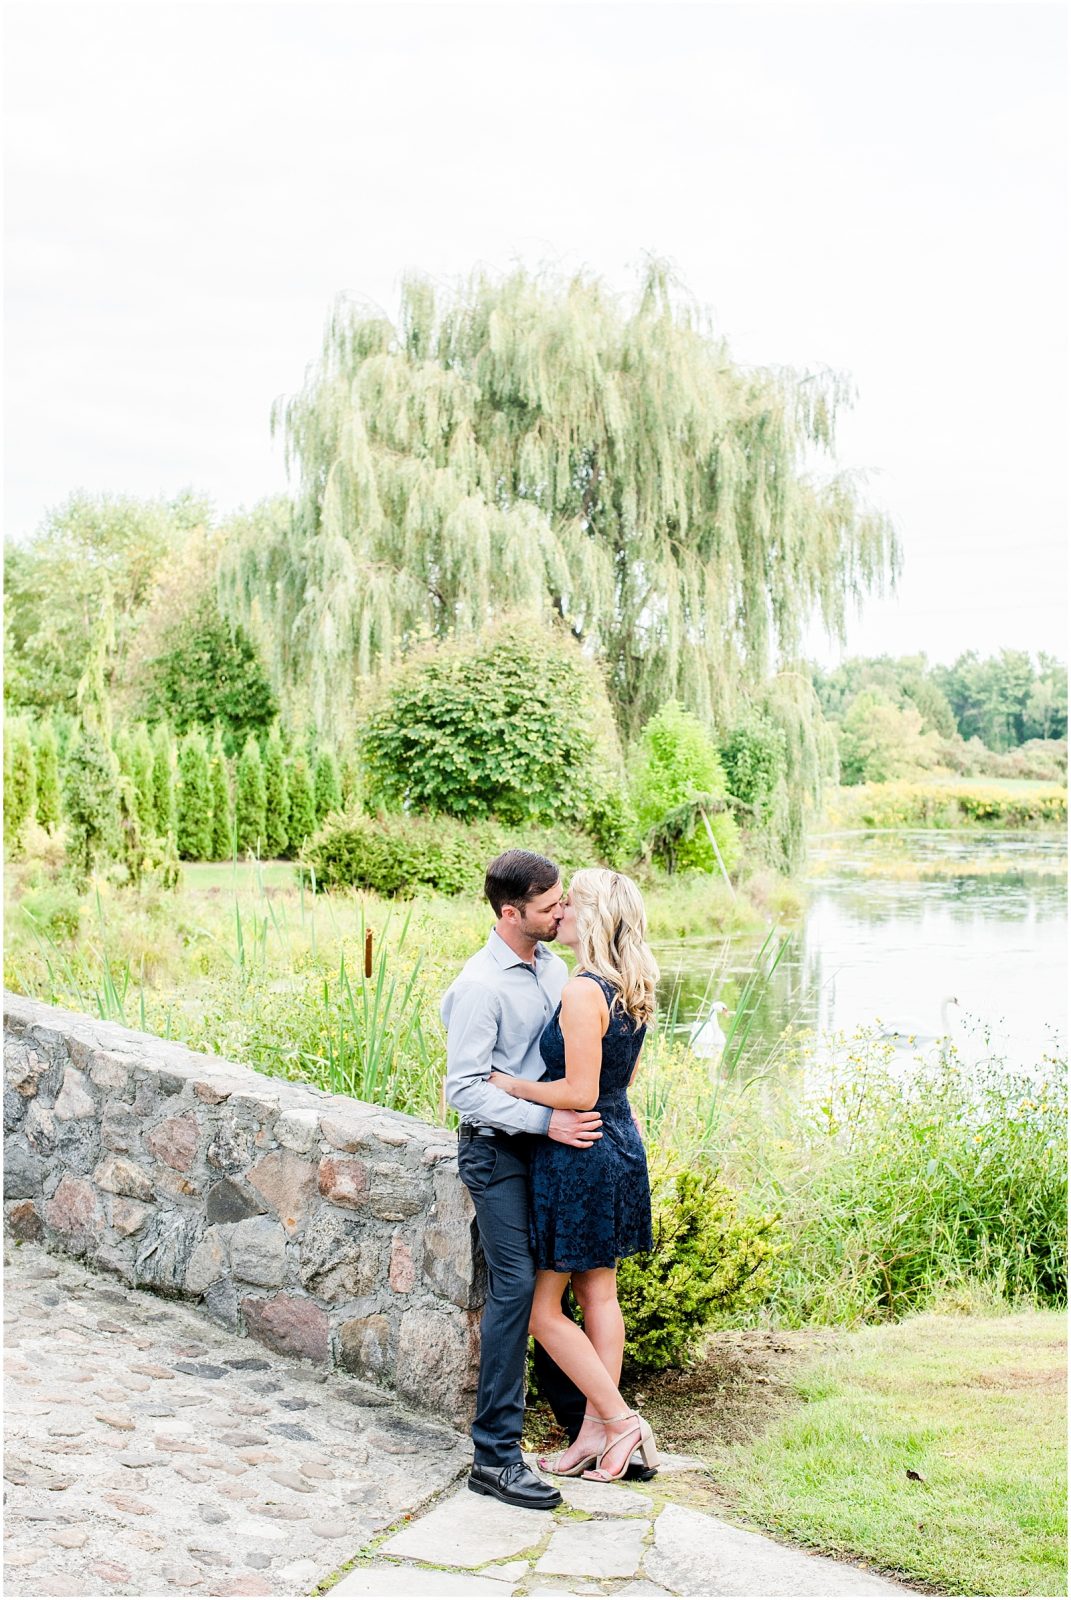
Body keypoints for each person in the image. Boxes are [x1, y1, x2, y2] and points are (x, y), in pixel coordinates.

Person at [442, 849, 602, 1511]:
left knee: (553, 1283)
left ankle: (581, 1426)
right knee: (514, 1288)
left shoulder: (554, 967)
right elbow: (464, 1091)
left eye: (561, 901)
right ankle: (494, 1458)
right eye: (547, 907)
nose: (560, 912)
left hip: (543, 1148)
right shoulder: (480, 985)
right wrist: (545, 1122)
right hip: (495, 1153)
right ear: (511, 913)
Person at [489, 867, 660, 1482]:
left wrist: (512, 1085)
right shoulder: (629, 985)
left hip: (579, 1149)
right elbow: (619, 1083)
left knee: (541, 1311)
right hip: (618, 1139)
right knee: (599, 1296)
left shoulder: (583, 990)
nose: (557, 914)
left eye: (568, 907)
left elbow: (580, 1091)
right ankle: (593, 1433)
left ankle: (617, 1420)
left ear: (590, 917)